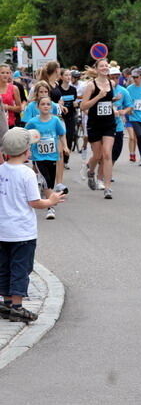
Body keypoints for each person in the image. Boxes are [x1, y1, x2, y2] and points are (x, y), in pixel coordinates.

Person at [0, 128, 66, 323]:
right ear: (26, 150)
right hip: (22, 233)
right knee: (21, 268)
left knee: (4, 267)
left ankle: (7, 302)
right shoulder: (27, 174)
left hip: (2, 231)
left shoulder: (1, 170)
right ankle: (18, 306)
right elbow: (35, 202)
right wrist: (51, 201)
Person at [25, 97, 69, 220]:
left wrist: (65, 146)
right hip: (38, 157)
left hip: (52, 156)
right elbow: (25, 135)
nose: (45, 106)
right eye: (43, 104)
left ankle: (46, 194)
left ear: (51, 107)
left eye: (48, 104)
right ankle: (50, 208)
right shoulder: (33, 122)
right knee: (46, 178)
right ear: (38, 107)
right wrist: (27, 149)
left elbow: (61, 134)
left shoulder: (55, 120)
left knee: (50, 181)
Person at [79, 59, 117, 199]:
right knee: (98, 155)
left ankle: (107, 187)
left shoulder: (112, 83)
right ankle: (91, 172)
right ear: (96, 69)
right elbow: (83, 106)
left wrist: (113, 102)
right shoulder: (91, 85)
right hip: (94, 124)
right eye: (102, 66)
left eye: (106, 65)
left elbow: (107, 103)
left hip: (109, 123)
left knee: (107, 154)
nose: (105, 67)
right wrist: (98, 97)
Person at [109, 67, 134, 167]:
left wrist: (124, 111)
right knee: (105, 151)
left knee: (116, 151)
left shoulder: (123, 91)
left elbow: (130, 106)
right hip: (105, 124)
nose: (115, 79)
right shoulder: (103, 89)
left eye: (117, 77)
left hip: (118, 125)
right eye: (113, 77)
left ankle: (108, 169)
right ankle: (105, 173)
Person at [0, 65, 24, 131]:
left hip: (9, 124)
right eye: (2, 73)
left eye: (7, 73)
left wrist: (7, 107)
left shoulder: (14, 88)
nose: (5, 75)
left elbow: (19, 108)